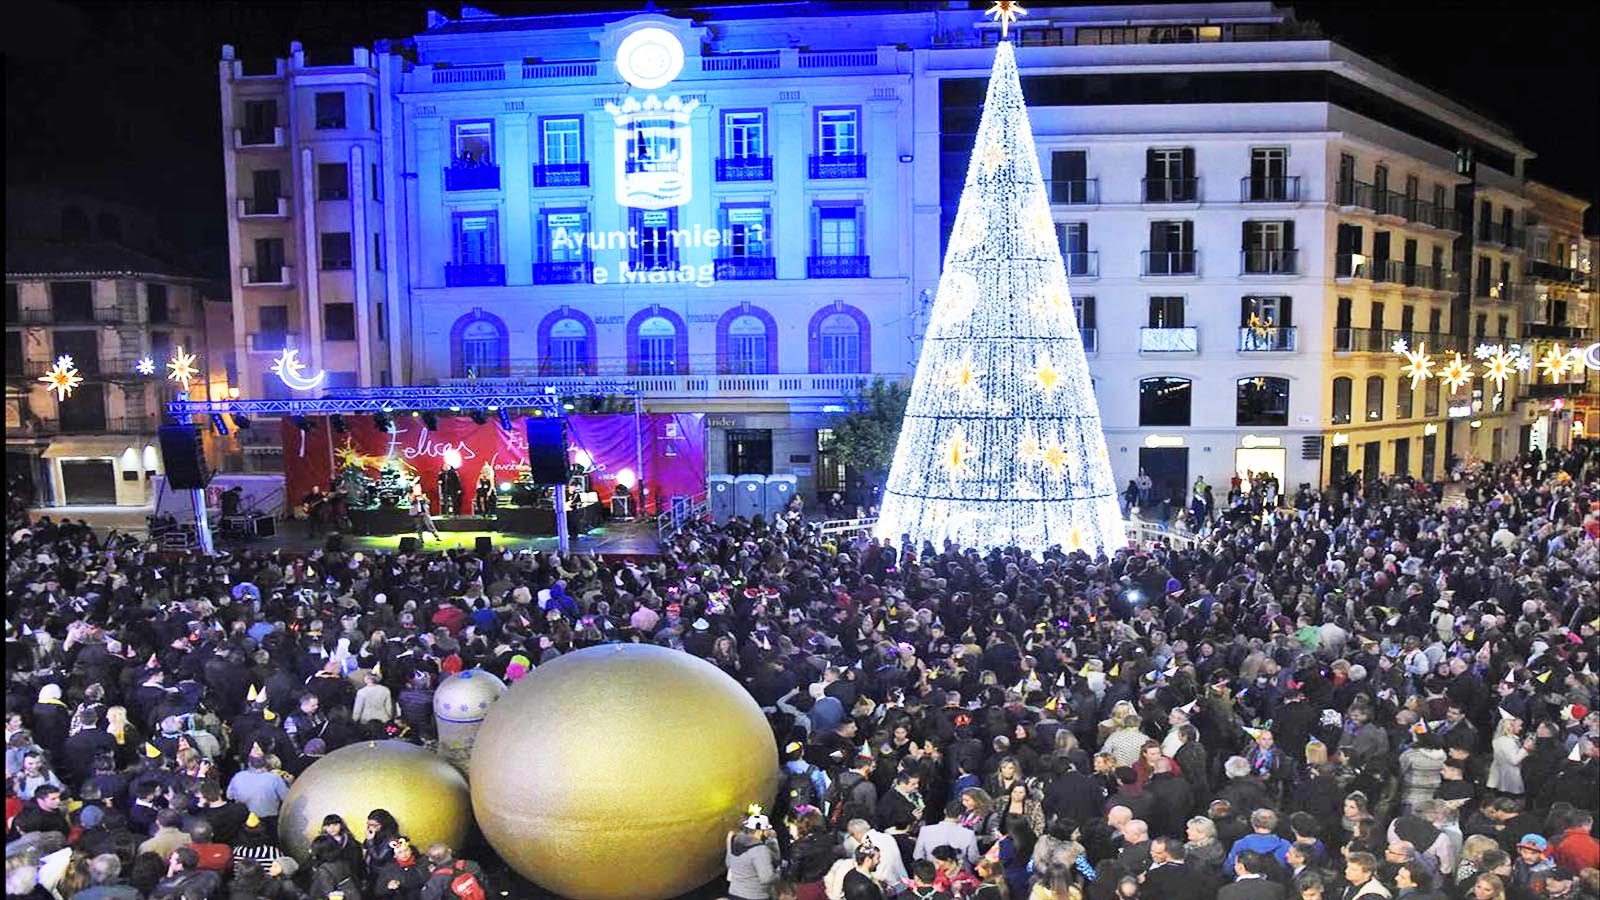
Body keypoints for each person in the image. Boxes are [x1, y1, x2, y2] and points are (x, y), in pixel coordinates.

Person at [727, 808, 781, 900]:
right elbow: (766, 878)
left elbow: (729, 864)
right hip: (754, 895)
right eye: (766, 829)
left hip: (734, 893)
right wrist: (778, 874)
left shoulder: (734, 842)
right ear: (759, 831)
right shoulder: (759, 849)